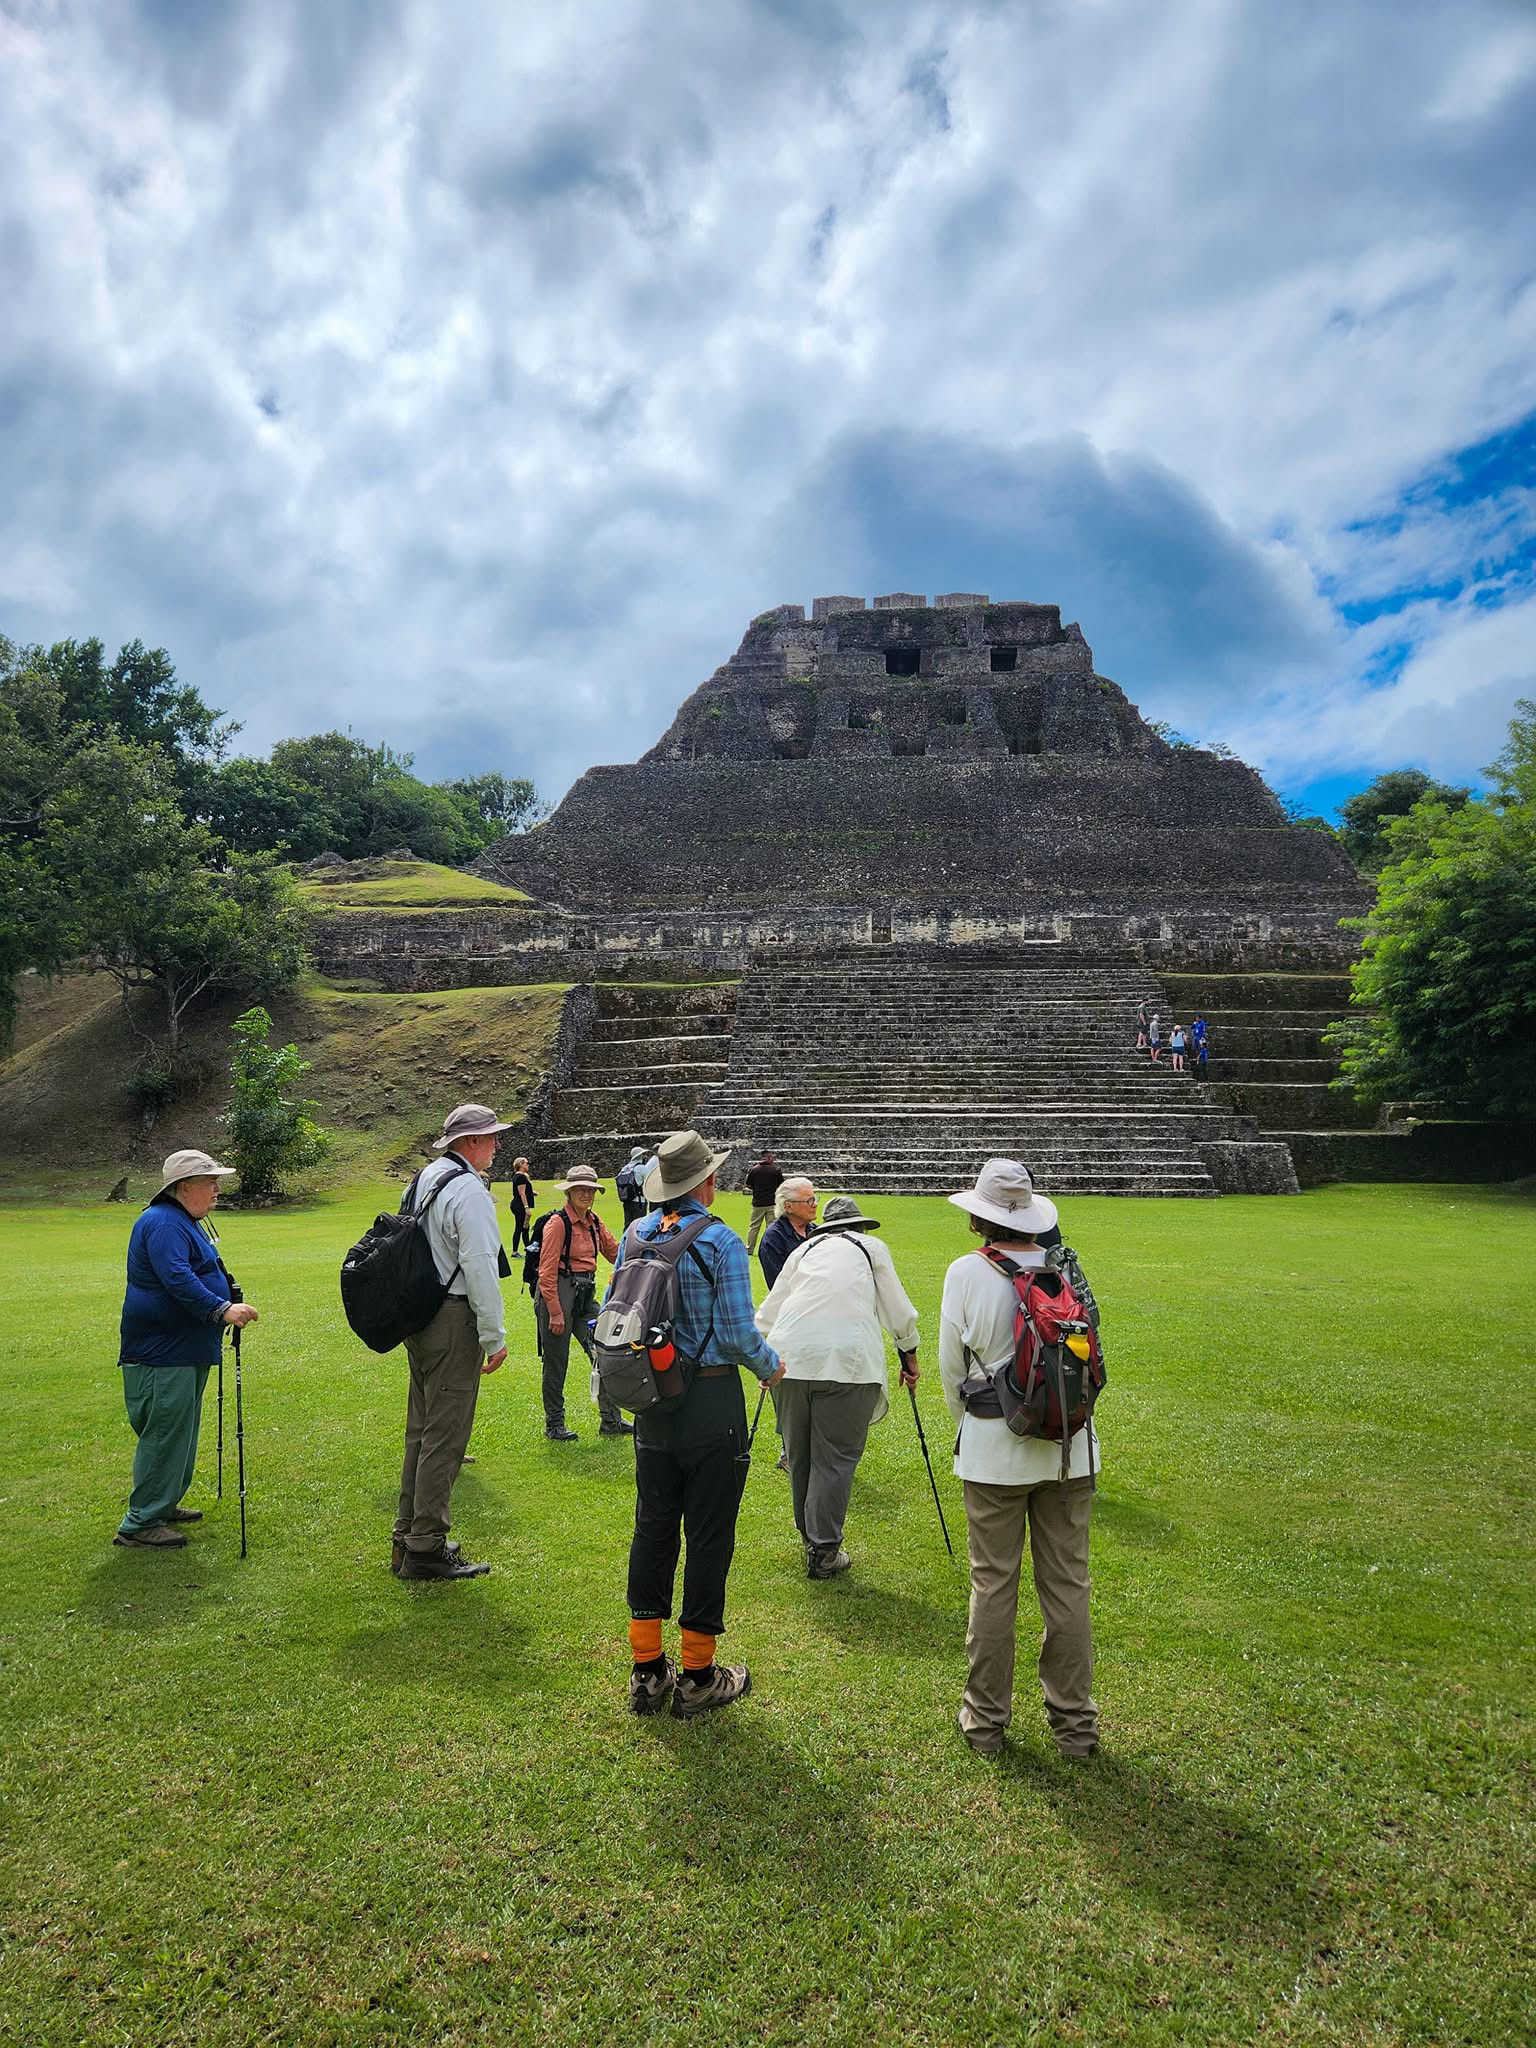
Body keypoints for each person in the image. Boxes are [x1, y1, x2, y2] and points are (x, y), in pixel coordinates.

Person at [614, 1129, 784, 1720]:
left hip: (652, 1399)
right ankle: (697, 1675)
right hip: (710, 1403)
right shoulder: (720, 1241)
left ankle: (646, 1670)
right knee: (709, 1535)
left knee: (652, 1527)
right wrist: (772, 1366)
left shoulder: (635, 1235)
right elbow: (738, 1334)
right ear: (707, 1183)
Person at [939, 1158, 1101, 1761]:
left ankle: (985, 1721)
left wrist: (976, 1431)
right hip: (1070, 1447)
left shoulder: (966, 1272)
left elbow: (952, 1370)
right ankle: (1076, 1727)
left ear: (980, 1217)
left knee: (993, 1584)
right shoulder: (1068, 1273)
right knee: (1067, 1587)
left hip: (993, 1452)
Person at [755, 1195, 920, 1579]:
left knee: (800, 1456)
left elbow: (769, 1311)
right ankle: (824, 1550)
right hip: (847, 1362)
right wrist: (909, 1355)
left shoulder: (805, 1248)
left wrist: (762, 1358)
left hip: (788, 1359)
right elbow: (899, 1311)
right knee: (835, 1460)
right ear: (860, 1226)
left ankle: (812, 1542)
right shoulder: (871, 1247)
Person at [114, 1149, 260, 1549]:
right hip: (162, 1352)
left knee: (179, 1431)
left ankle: (162, 1503)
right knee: (164, 1433)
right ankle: (141, 1522)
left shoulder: (184, 1220)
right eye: (209, 1181)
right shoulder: (162, 1222)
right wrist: (221, 1308)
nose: (217, 1189)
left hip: (183, 1348)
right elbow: (176, 1277)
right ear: (183, 1187)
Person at [393, 1104, 512, 1581]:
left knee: (421, 1431)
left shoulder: (423, 1179)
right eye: (490, 1137)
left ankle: (409, 1534)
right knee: (445, 1435)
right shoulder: (467, 1189)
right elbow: (480, 1265)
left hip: (420, 1315)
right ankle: (425, 1543)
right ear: (469, 1143)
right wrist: (494, 1335)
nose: (497, 1146)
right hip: (452, 1319)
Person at [536, 1164, 631, 1442]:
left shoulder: (594, 1222)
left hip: (585, 1293)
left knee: (605, 1353)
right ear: (569, 1191)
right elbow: (546, 1271)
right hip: (559, 1293)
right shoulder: (558, 1224)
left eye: (590, 1189)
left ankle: (611, 1421)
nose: (586, 1194)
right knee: (556, 1362)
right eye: (580, 1189)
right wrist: (554, 1311)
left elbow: (616, 1253)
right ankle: (554, 1425)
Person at [757, 1176, 818, 1289]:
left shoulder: (816, 1232)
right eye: (809, 1201)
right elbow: (778, 1285)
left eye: (815, 1199)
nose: (815, 1204)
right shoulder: (774, 1238)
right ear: (788, 1206)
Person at [744, 1150, 784, 1254]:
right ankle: (770, 1249)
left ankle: (749, 1248)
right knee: (771, 1227)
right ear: (769, 1158)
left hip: (758, 1203)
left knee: (754, 1227)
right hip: (772, 1203)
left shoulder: (754, 1170)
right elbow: (781, 1185)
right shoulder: (776, 1170)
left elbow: (748, 1185)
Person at [615, 1146, 649, 1228]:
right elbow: (650, 1181)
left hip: (627, 1200)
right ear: (640, 1156)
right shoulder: (641, 1168)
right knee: (639, 1226)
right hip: (639, 1202)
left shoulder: (625, 1168)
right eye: (643, 1155)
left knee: (628, 1226)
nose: (645, 1157)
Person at [508, 1156, 536, 1254]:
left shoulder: (518, 1176)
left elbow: (522, 1191)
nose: (528, 1165)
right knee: (520, 1227)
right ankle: (515, 1251)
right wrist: (526, 1208)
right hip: (519, 1205)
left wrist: (532, 1192)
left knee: (525, 1227)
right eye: (526, 1163)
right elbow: (521, 1193)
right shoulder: (521, 1177)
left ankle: (528, 1247)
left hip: (518, 1204)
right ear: (521, 1164)